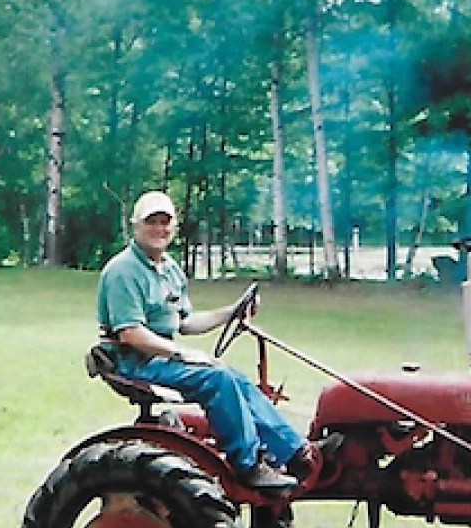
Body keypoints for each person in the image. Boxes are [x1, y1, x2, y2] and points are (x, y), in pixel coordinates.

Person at [96, 190, 337, 491]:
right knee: (218, 379)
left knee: (235, 377)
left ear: (174, 227)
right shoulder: (123, 270)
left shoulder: (169, 270)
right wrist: (182, 354)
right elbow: (130, 333)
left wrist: (231, 312)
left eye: (165, 222)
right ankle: (248, 465)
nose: (160, 229)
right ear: (135, 226)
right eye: (152, 222)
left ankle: (295, 453)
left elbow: (184, 322)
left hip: (159, 357)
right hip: (134, 362)